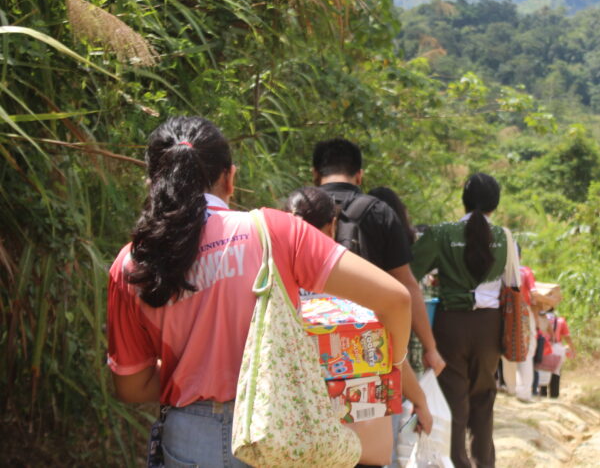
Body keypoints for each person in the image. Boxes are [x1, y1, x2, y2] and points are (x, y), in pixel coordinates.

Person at [106, 116, 411, 467]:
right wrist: (394, 364)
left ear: (153, 182)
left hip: (189, 440)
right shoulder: (274, 231)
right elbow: (396, 299)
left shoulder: (132, 263)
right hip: (279, 431)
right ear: (230, 177)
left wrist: (189, 368)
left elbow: (130, 386)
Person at [286, 187, 433, 468]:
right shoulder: (348, 276)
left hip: (294, 428)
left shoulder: (271, 277)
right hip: (352, 430)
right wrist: (420, 400)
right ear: (332, 226)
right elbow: (389, 344)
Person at [313, 138, 446, 378]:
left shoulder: (293, 210)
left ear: (315, 174)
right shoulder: (379, 212)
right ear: (360, 175)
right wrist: (431, 348)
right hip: (366, 346)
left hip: (308, 344)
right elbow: (407, 285)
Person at [410, 173, 512, 468]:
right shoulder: (505, 237)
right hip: (490, 328)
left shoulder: (441, 234)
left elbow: (408, 274)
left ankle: (456, 462)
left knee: (453, 397)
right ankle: (485, 462)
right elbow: (513, 287)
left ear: (464, 199)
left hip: (450, 324)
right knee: (484, 395)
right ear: (495, 203)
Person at [500, 257, 539, 402]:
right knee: (527, 351)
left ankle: (511, 387)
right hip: (522, 311)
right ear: (520, 257)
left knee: (505, 348)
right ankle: (524, 392)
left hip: (503, 311)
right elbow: (534, 295)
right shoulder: (525, 271)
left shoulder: (500, 270)